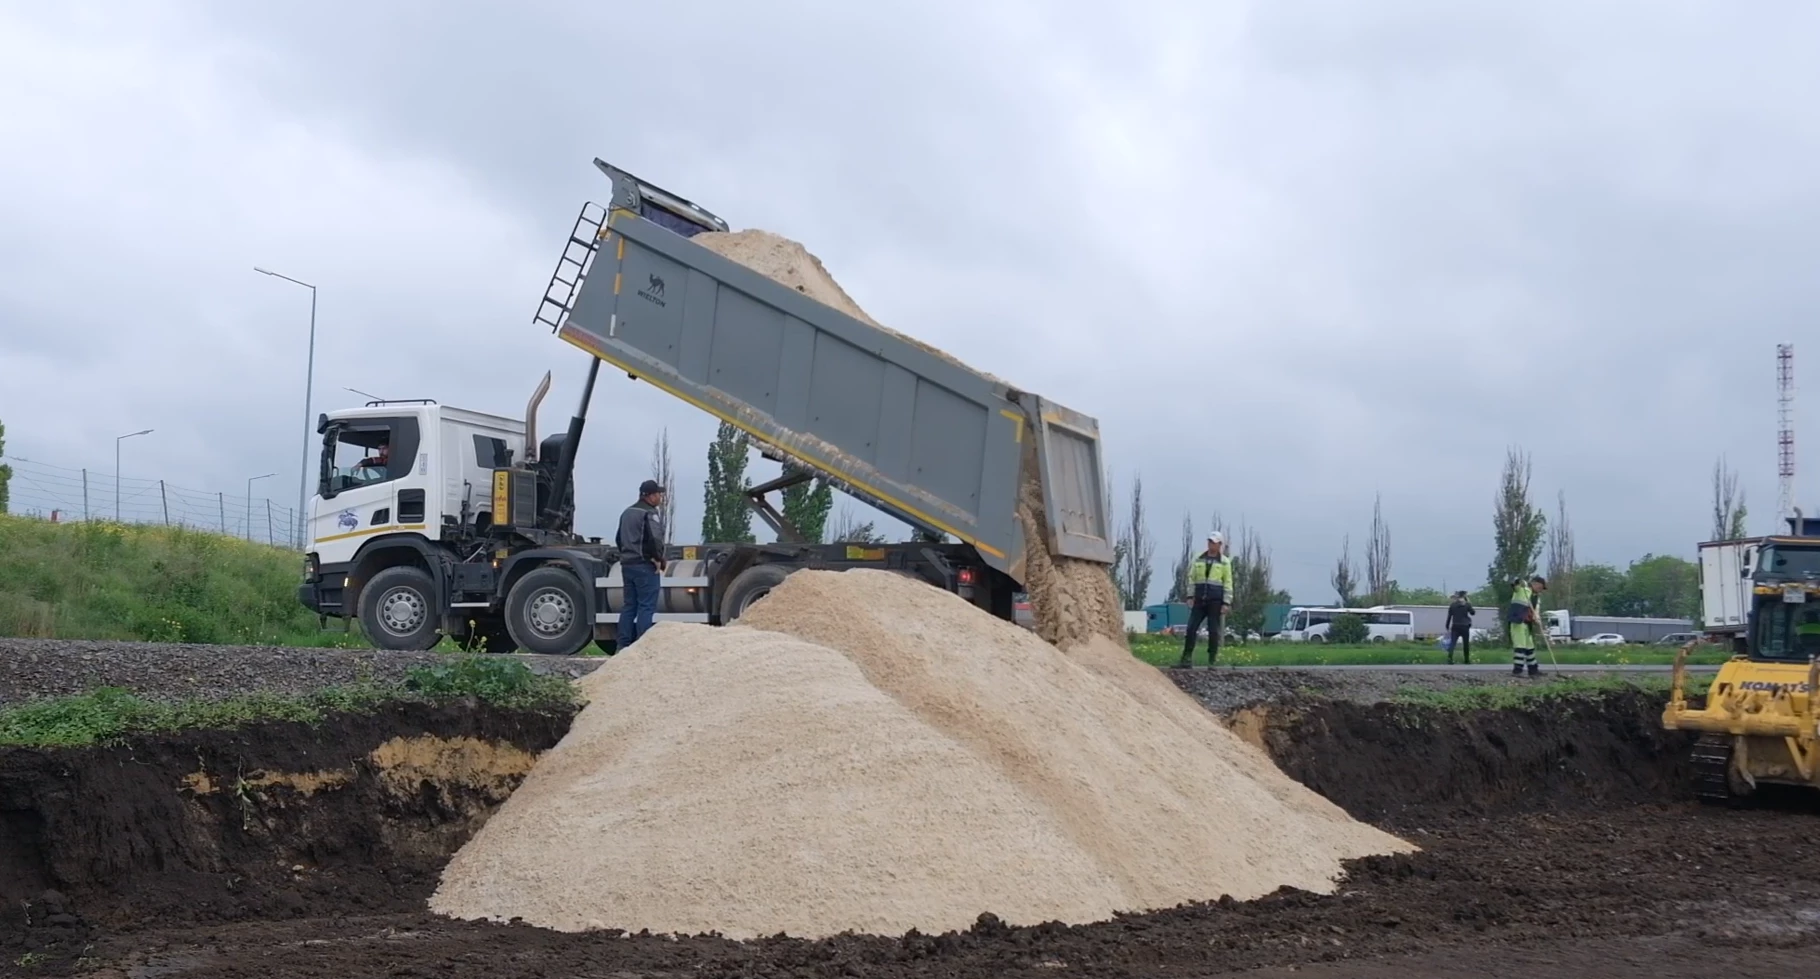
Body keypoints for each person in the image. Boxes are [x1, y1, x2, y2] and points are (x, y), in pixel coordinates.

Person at [615, 479, 667, 648]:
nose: (660, 497)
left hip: (627, 565)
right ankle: (641, 648)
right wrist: (658, 559)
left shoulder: (627, 512)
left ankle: (622, 646)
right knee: (646, 606)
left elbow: (618, 539)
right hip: (645, 565)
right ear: (650, 496)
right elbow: (655, 539)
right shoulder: (649, 513)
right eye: (658, 494)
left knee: (629, 606)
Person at [1177, 532, 1233, 669]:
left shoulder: (1225, 562)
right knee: (1191, 628)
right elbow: (1192, 578)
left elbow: (1228, 583)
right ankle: (1186, 658)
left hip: (1215, 600)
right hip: (1199, 599)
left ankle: (1212, 660)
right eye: (1209, 541)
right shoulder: (1198, 559)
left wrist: (1226, 602)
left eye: (1214, 542)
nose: (1211, 544)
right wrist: (1190, 596)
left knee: (1213, 631)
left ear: (1220, 544)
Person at [1508, 575, 1547, 677]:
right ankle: (1517, 671)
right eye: (1540, 588)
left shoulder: (1536, 598)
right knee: (1520, 646)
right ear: (1535, 584)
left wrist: (1538, 621)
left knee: (1530, 647)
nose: (1540, 590)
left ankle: (1533, 670)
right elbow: (1514, 585)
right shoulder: (1522, 590)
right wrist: (1518, 581)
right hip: (1518, 622)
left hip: (1527, 624)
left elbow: (1536, 613)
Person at [1444, 591, 1475, 665]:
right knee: (1466, 644)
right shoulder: (1467, 604)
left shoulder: (1453, 605)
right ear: (1464, 596)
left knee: (1453, 643)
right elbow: (1472, 613)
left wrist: (1447, 626)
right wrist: (1469, 603)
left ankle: (1450, 659)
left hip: (1455, 626)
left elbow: (1449, 616)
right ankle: (1466, 660)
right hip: (1465, 626)